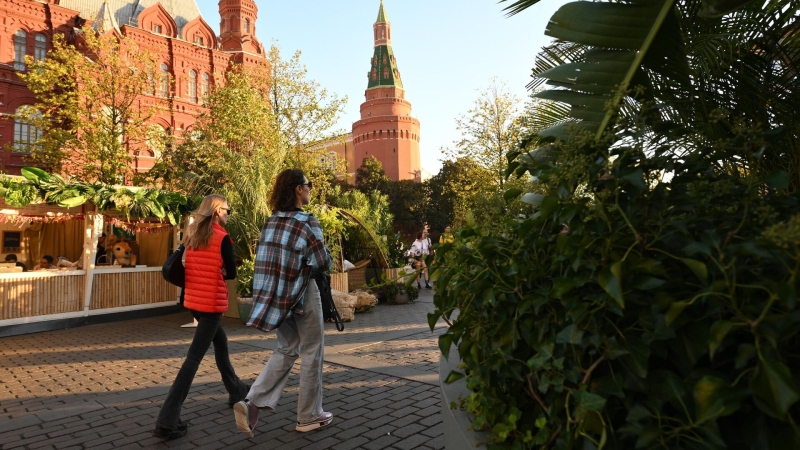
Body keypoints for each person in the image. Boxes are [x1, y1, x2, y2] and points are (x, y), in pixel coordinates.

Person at [234, 169, 332, 437]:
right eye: (308, 185)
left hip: (276, 298)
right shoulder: (306, 222)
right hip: (301, 293)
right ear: (298, 190)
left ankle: (251, 402)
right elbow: (322, 262)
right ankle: (309, 416)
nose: (310, 189)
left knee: (287, 348)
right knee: (312, 350)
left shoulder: (271, 222)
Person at [153, 194, 249, 440]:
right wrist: (221, 267)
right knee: (193, 359)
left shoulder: (192, 235)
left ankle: (236, 390)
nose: (228, 214)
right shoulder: (222, 238)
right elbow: (231, 272)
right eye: (227, 210)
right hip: (211, 304)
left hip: (194, 301)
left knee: (221, 343)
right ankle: (167, 420)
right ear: (217, 211)